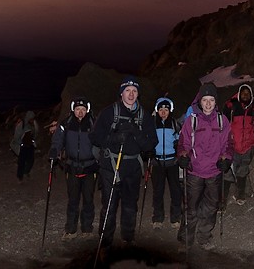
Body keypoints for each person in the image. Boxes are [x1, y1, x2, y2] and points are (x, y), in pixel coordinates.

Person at [89, 77, 157, 250]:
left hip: (133, 166)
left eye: (134, 91)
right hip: (110, 165)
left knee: (130, 205)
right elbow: (95, 136)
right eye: (128, 90)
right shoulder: (109, 112)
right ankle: (105, 242)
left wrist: (136, 133)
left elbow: (151, 143)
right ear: (121, 93)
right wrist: (114, 138)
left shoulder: (144, 115)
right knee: (110, 204)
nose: (131, 94)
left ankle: (128, 238)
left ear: (138, 94)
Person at [176, 82, 233, 250]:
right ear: (199, 102)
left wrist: (226, 158)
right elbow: (183, 144)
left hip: (214, 171)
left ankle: (204, 237)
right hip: (195, 171)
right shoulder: (191, 121)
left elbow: (228, 145)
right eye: (205, 100)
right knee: (190, 207)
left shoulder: (222, 121)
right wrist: (183, 156)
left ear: (216, 102)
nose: (208, 104)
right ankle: (186, 238)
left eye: (211, 100)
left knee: (211, 207)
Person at [49, 97, 98, 240]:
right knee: (73, 200)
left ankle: (87, 229)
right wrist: (54, 150)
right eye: (78, 109)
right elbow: (58, 140)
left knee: (88, 199)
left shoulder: (93, 123)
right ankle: (71, 230)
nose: (80, 112)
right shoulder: (66, 124)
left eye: (83, 109)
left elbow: (102, 139)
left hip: (90, 167)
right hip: (72, 167)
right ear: (73, 110)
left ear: (87, 110)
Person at [222, 84, 254, 205]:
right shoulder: (231, 105)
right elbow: (223, 124)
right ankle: (222, 199)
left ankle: (240, 194)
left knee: (243, 170)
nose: (245, 95)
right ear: (239, 94)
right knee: (228, 171)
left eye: (247, 93)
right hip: (233, 145)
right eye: (243, 93)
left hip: (247, 145)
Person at [150, 97, 183, 230]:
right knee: (158, 191)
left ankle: (175, 217)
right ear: (157, 110)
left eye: (166, 109)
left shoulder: (175, 124)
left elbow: (181, 140)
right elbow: (147, 140)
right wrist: (149, 150)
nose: (163, 112)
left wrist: (178, 147)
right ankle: (158, 217)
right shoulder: (152, 124)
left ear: (170, 110)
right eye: (161, 109)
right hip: (157, 162)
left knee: (175, 191)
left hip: (172, 162)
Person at [11, 110, 39, 182]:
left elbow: (35, 134)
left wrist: (32, 141)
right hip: (23, 146)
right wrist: (21, 143)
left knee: (31, 160)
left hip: (30, 145)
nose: (32, 120)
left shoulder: (33, 124)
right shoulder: (21, 125)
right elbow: (16, 137)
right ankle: (20, 177)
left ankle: (26, 172)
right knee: (21, 162)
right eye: (31, 118)